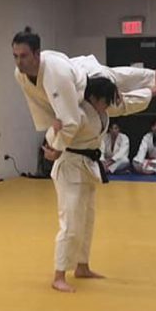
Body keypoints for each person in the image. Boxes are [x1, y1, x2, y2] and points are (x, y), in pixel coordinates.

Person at [12, 27, 156, 146]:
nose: (19, 61)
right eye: (16, 56)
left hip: (90, 81)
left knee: (117, 105)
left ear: (37, 53)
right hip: (79, 73)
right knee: (115, 75)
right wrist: (51, 122)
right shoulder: (20, 74)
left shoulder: (54, 74)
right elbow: (37, 102)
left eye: (24, 56)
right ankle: (152, 75)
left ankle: (155, 89)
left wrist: (57, 145)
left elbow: (70, 120)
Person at [41, 77, 118, 293]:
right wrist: (54, 145)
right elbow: (54, 132)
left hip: (87, 169)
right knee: (71, 223)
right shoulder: (77, 112)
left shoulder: (101, 114)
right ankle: (59, 275)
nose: (108, 104)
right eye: (106, 99)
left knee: (86, 221)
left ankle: (82, 266)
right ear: (93, 97)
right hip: (69, 169)